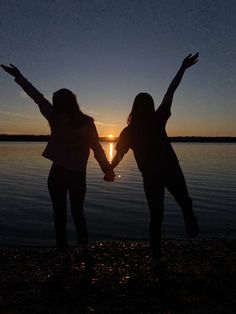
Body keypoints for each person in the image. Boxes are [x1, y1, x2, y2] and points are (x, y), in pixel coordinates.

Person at [1, 64, 115, 254]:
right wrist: (107, 170)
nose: (53, 103)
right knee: (78, 213)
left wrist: (19, 76)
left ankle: (64, 255)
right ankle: (84, 249)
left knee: (59, 215)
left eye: (55, 101)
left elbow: (37, 98)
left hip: (58, 173)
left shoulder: (55, 118)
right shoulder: (87, 122)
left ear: (60, 103)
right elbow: (96, 148)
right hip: (77, 175)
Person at [108, 53, 199, 267]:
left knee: (157, 216)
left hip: (152, 176)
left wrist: (109, 169)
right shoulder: (157, 120)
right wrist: (182, 68)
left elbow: (119, 154)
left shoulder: (129, 130)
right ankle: (188, 220)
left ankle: (157, 258)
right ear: (150, 106)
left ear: (134, 108)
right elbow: (170, 91)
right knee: (184, 203)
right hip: (168, 170)